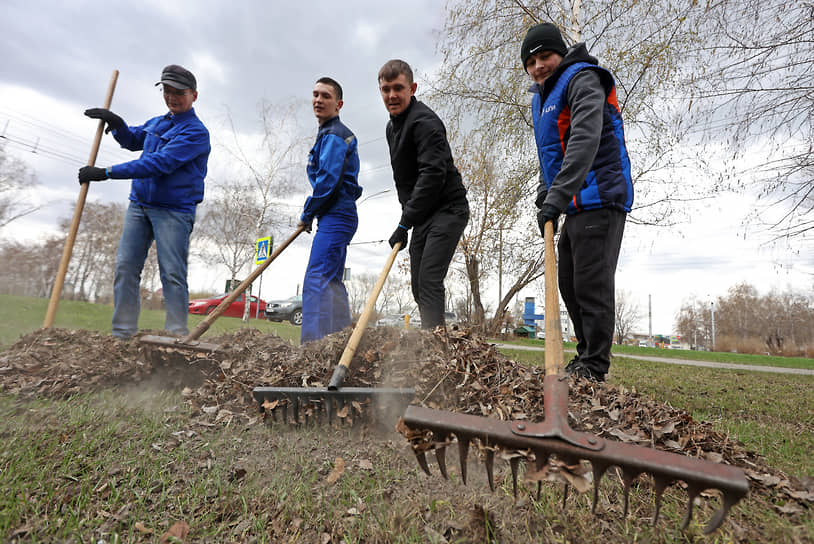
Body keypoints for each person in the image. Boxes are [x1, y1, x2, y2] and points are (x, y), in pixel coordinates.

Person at [521, 23, 633, 382]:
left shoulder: (582, 79)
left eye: (546, 56)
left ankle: (594, 367)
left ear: (561, 54)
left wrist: (557, 196)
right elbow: (550, 154)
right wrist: (545, 195)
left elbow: (584, 140)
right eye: (531, 60)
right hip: (575, 203)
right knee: (569, 282)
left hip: (600, 195)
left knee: (591, 284)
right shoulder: (542, 97)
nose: (539, 65)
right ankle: (585, 359)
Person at [78, 64, 210, 339]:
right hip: (139, 206)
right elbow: (132, 139)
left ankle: (176, 336)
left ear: (194, 95)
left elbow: (158, 163)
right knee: (125, 267)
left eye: (179, 92)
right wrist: (116, 123)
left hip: (173, 212)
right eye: (167, 91)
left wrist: (107, 173)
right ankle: (122, 334)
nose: (171, 97)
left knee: (172, 274)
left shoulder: (196, 133)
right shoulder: (158, 123)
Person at [378, 59, 469, 330]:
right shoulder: (392, 128)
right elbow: (404, 181)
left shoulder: (425, 123)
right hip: (423, 215)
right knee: (418, 284)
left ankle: (435, 349)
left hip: (448, 209)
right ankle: (435, 338)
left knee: (429, 279)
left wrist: (405, 222)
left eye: (398, 88)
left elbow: (432, 176)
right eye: (385, 89)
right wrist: (408, 218)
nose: (392, 95)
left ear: (412, 88)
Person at [298, 77, 362, 343]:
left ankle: (312, 349)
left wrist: (307, 212)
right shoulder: (327, 133)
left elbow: (328, 181)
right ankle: (340, 343)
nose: (318, 100)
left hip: (337, 213)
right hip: (335, 215)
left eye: (326, 96)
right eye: (315, 94)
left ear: (339, 104)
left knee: (317, 278)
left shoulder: (335, 135)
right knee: (332, 282)